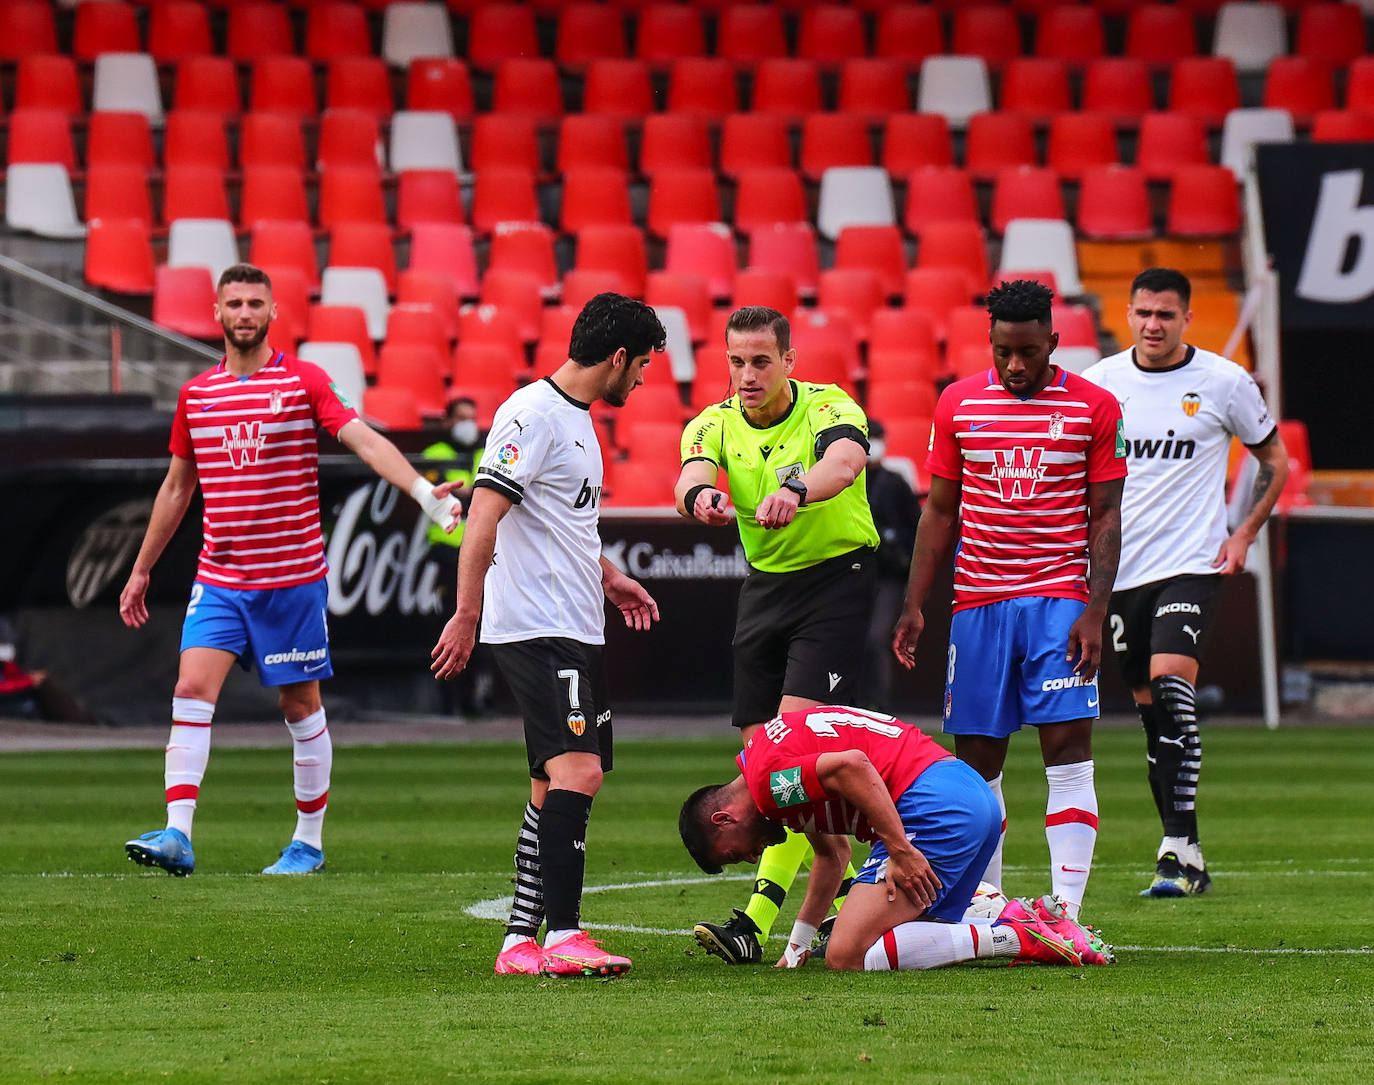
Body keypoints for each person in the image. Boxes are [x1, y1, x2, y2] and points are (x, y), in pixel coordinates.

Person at [118, 263, 463, 877]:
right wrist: (142, 568)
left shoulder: (304, 381)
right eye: (235, 303)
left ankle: (307, 842)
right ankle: (177, 833)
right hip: (220, 578)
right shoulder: (197, 395)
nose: (245, 313)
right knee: (191, 691)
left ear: (273, 312)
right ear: (217, 315)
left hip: (292, 579)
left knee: (299, 707)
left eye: (255, 302)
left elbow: (364, 440)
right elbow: (177, 488)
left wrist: (424, 492)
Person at [431, 292, 664, 978]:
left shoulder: (577, 420)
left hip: (574, 620)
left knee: (548, 784)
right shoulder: (531, 414)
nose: (644, 379)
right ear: (618, 358)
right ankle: (564, 932)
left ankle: (517, 941)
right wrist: (467, 613)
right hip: (535, 625)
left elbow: (560, 525)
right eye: (643, 365)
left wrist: (610, 575)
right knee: (579, 771)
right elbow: (483, 515)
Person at [892, 279, 1126, 921]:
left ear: (1053, 341)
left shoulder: (1095, 408)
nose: (1016, 365)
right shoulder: (958, 403)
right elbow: (939, 511)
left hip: (1058, 600)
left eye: (1028, 352)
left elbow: (1106, 516)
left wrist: (1096, 609)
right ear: (990, 344)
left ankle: (1066, 915)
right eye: (1003, 352)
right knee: (977, 765)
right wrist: (915, 603)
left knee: (1068, 748)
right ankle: (986, 909)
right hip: (978, 605)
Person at [674, 305, 881, 964]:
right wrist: (698, 498)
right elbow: (689, 473)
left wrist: (797, 487)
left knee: (785, 757)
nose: (747, 374)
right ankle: (847, 894)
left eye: (761, 360)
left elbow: (845, 463)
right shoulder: (714, 420)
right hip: (764, 589)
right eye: (736, 361)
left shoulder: (827, 406)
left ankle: (755, 922)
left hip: (835, 583)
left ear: (789, 361)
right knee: (769, 769)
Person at [1082, 268, 1289, 898]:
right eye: (1143, 313)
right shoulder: (1101, 383)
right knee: (1153, 720)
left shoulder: (1225, 382)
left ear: (1187, 318)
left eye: (1165, 315)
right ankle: (1187, 848)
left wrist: (1244, 533)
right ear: (1128, 313)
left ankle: (1174, 848)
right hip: (1120, 574)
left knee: (1173, 692)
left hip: (1192, 565)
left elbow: (1274, 461)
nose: (1152, 325)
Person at [679, 704, 1115, 971]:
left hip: (934, 806)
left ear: (723, 818)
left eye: (736, 854)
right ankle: (1024, 917)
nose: (756, 855)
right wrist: (797, 946)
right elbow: (832, 856)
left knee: (846, 954)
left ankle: (1020, 933)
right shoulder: (767, 764)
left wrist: (902, 849)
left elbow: (852, 766)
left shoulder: (769, 783)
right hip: (968, 793)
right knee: (918, 935)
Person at [421, 396, 495, 716]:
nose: (468, 423)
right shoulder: (433, 455)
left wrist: (470, 494)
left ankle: (472, 700)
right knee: (448, 627)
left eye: (472, 416)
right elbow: (437, 496)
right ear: (448, 421)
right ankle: (447, 700)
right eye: (461, 417)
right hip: (447, 553)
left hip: (483, 553)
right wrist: (478, 494)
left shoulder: (488, 451)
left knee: (480, 630)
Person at [860, 420, 921, 710]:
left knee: (875, 640)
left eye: (876, 438)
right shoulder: (845, 481)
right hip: (851, 575)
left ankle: (878, 710)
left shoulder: (895, 484)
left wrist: (905, 561)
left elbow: (916, 529)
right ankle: (847, 709)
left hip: (888, 577)